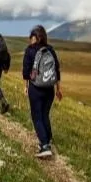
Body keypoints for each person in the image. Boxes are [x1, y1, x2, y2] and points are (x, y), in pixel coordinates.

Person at [22, 25, 62, 158]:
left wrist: (26, 86)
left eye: (31, 37)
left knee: (36, 116)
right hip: (49, 88)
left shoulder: (30, 50)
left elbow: (26, 70)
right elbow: (56, 69)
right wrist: (58, 89)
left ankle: (44, 145)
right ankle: (48, 139)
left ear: (35, 37)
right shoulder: (50, 49)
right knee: (44, 114)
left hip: (36, 88)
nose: (29, 40)